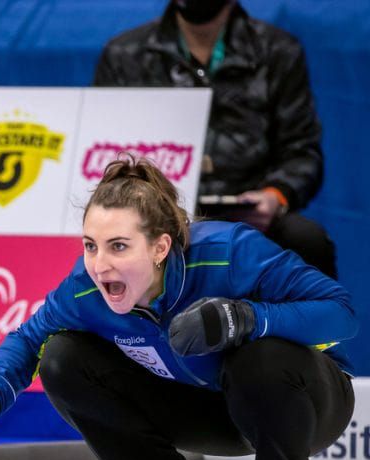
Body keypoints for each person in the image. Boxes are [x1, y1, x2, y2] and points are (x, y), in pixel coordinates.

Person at [0, 157, 356, 460]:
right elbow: (29, 339)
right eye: (91, 246)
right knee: (62, 356)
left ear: (160, 248)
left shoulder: (230, 252)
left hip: (306, 404)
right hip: (212, 413)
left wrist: (247, 318)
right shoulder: (86, 289)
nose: (99, 265)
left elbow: (340, 314)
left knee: (262, 356)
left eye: (118, 246)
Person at [93, 0, 337, 278]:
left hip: (249, 218)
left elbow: (302, 151)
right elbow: (104, 150)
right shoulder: (124, 54)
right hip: (154, 216)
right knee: (110, 242)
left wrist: (274, 195)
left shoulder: (278, 51)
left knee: (307, 239)